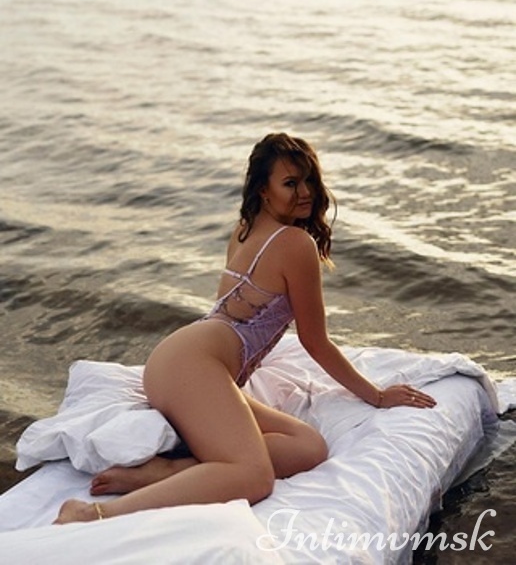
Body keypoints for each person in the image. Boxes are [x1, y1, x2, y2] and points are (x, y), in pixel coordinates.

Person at [54, 132, 436, 524]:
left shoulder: (244, 228)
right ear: (263, 190)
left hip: (175, 365)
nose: (305, 192)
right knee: (254, 477)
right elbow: (315, 342)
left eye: (309, 180)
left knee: (308, 446)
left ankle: (169, 472)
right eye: (290, 183)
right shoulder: (295, 243)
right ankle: (93, 513)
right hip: (192, 367)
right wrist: (376, 396)